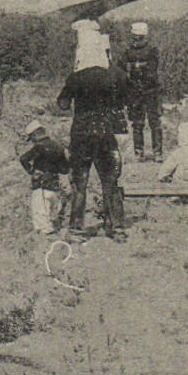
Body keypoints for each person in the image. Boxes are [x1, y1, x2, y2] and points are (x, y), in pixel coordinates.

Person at [58, 24, 130, 240]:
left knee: (80, 183)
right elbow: (124, 100)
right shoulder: (114, 77)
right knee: (110, 181)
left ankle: (76, 229)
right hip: (106, 133)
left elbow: (62, 104)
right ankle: (117, 227)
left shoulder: (76, 77)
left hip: (81, 134)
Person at [118, 22, 163, 161]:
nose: (136, 40)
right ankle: (139, 152)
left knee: (154, 122)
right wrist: (135, 68)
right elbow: (121, 68)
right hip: (134, 91)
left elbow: (152, 70)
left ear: (144, 37)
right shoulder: (128, 51)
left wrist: (133, 67)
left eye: (139, 37)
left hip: (151, 90)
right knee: (137, 123)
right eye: (135, 37)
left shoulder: (152, 50)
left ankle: (157, 152)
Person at [17, 121, 71, 234]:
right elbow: (65, 169)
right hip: (54, 184)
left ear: (35, 135)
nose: (32, 140)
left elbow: (23, 159)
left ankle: (45, 236)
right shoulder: (58, 146)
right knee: (52, 210)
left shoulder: (39, 147)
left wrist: (31, 171)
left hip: (41, 185)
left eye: (31, 138)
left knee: (40, 213)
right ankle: (53, 231)